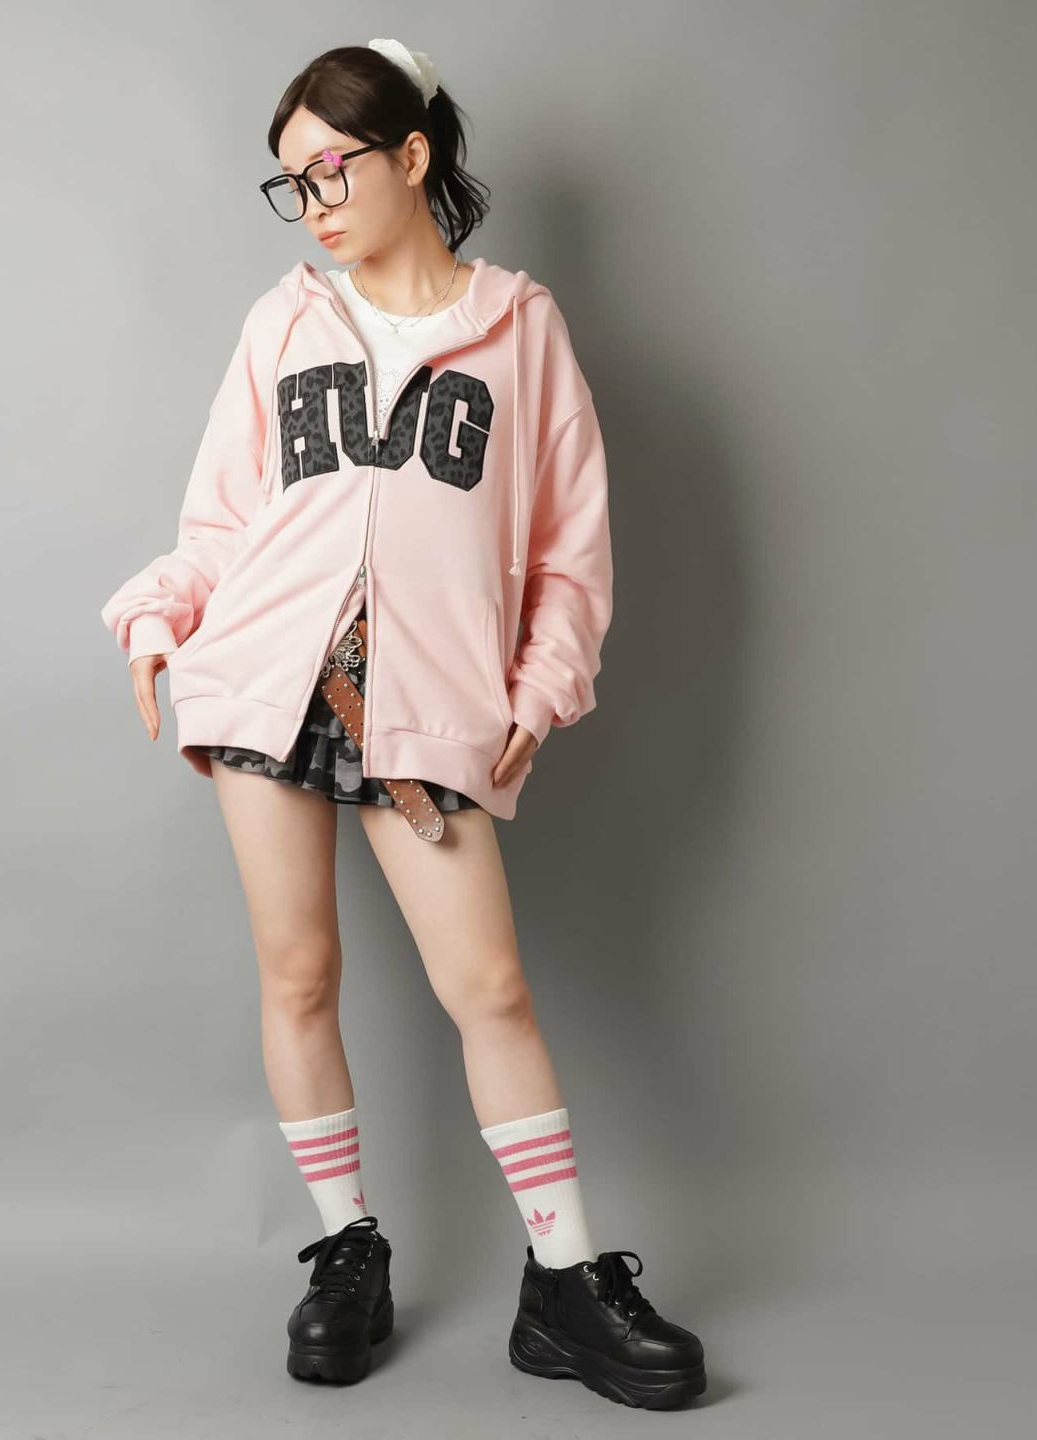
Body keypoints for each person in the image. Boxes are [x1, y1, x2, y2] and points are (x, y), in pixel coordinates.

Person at [101, 37, 706, 1411]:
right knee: (299, 976)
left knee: (488, 989)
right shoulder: (283, 324)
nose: (312, 202)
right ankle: (345, 1253)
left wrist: (540, 691)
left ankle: (564, 1282)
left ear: (412, 154)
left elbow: (571, 552)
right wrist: (156, 618)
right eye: (291, 182)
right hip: (268, 676)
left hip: (423, 704)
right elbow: (222, 523)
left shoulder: (520, 328)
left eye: (332, 168)